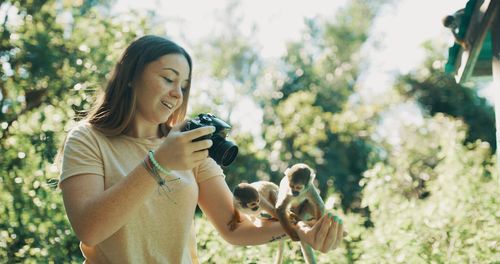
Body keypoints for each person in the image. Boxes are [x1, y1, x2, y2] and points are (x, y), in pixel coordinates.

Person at [59, 35, 344, 263]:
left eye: (183, 85)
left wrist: (299, 230)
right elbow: (90, 229)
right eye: (168, 79)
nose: (177, 93)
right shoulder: (88, 139)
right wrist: (157, 164)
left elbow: (235, 228)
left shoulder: (187, 143)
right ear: (131, 76)